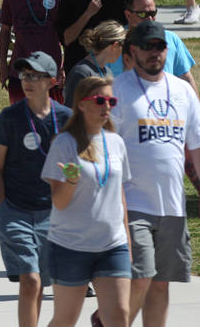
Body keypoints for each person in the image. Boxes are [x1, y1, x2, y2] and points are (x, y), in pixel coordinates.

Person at [111, 20, 200, 327]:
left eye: (160, 47)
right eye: (147, 47)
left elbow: (198, 148)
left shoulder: (183, 91)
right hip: (131, 204)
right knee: (140, 278)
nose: (154, 53)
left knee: (161, 284)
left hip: (172, 205)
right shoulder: (118, 91)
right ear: (133, 51)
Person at [0, 51, 73, 327]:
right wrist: (3, 208)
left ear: (51, 81)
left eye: (35, 76)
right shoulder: (11, 117)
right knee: (30, 279)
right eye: (25, 75)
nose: (28, 81)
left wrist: (71, 187)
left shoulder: (67, 118)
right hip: (17, 211)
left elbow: (77, 162)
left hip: (53, 213)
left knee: (40, 283)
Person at [42, 75, 132, 327]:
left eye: (111, 100)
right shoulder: (64, 143)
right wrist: (71, 181)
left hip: (112, 245)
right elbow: (59, 203)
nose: (107, 106)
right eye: (100, 100)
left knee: (119, 316)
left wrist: (127, 243)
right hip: (70, 246)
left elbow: (120, 196)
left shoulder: (116, 143)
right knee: (65, 320)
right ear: (81, 104)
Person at [0, 0, 65, 103]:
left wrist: (64, 66)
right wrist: (3, 65)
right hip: (20, 70)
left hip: (51, 69)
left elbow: (66, 33)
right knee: (21, 119)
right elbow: (5, 30)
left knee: (53, 119)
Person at [109, 0, 199, 95]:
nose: (150, 19)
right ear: (128, 15)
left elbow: (186, 79)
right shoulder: (113, 44)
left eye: (153, 13)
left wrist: (197, 109)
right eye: (143, 14)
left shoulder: (171, 39)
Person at [55, 0, 126, 75]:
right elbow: (66, 39)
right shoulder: (70, 0)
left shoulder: (119, 1)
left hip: (112, 70)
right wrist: (88, 14)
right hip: (78, 69)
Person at [63, 21, 126, 103]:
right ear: (114, 46)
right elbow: (71, 110)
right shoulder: (81, 72)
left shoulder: (108, 72)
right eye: (123, 45)